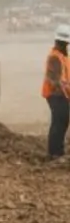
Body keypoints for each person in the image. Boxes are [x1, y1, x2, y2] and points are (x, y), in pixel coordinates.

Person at [46, 25, 70, 160]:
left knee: (63, 121)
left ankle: (58, 151)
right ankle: (55, 153)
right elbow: (55, 81)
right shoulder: (55, 57)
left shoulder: (62, 56)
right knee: (59, 122)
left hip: (62, 94)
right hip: (55, 94)